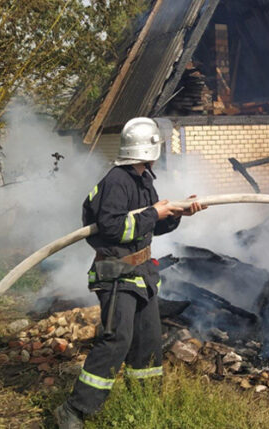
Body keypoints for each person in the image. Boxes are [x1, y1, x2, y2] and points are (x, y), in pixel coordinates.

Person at [55, 117, 204, 428]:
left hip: (142, 273)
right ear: (149, 149)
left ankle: (144, 403)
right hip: (117, 274)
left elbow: (152, 226)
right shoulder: (117, 181)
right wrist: (154, 212)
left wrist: (177, 214)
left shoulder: (143, 179)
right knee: (116, 341)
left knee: (147, 342)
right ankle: (74, 410)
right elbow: (111, 228)